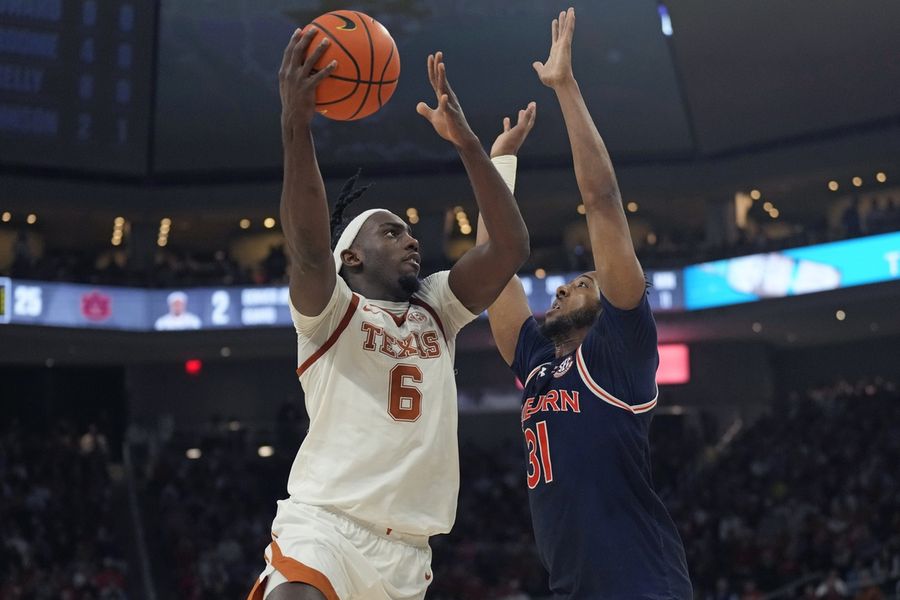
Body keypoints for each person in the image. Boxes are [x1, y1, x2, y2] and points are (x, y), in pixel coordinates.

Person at [248, 26, 533, 600]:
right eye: (392, 231)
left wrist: (473, 147)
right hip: (323, 525)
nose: (412, 241)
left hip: (406, 553)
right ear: (350, 256)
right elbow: (305, 245)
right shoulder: (329, 313)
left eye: (410, 232)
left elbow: (508, 249)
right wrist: (295, 125)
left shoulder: (437, 307)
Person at [476, 9, 692, 599]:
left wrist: (566, 87)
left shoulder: (620, 350)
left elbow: (601, 201)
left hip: (643, 587)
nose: (565, 285)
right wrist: (498, 166)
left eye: (585, 282)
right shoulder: (537, 361)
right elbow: (491, 268)